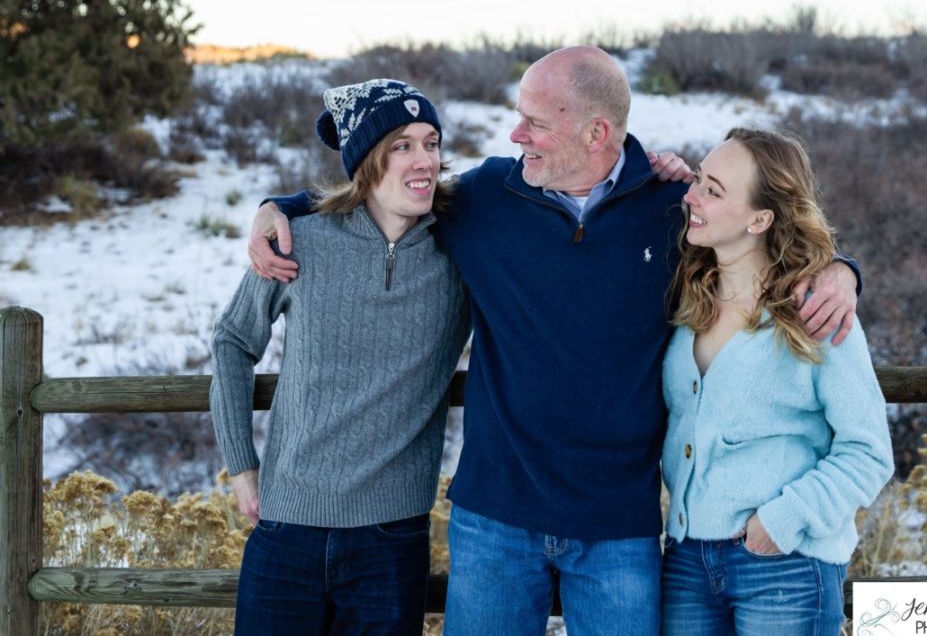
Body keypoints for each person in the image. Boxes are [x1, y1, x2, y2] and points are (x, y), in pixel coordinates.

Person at [249, 46, 862, 635]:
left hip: (617, 525)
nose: (515, 135)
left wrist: (839, 268)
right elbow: (386, 189)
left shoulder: (678, 211)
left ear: (596, 134)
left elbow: (765, 229)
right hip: (494, 519)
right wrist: (281, 206)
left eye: (535, 123)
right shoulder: (486, 197)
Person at [210, 79, 470, 635]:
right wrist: (241, 466)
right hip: (287, 528)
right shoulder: (298, 241)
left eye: (431, 142)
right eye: (402, 146)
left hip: (391, 539)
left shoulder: (464, 250)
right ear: (368, 163)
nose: (424, 159)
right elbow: (233, 342)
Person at [661, 128, 893, 636]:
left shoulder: (816, 313)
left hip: (784, 563)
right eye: (698, 178)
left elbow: (870, 451)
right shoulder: (686, 300)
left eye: (713, 191)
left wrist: (783, 521)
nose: (692, 197)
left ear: (759, 219)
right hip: (685, 562)